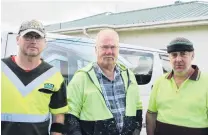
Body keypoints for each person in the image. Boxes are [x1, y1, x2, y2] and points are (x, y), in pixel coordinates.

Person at [65, 29, 143, 135]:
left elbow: (138, 108)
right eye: (104, 47)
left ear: (118, 49)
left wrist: (136, 130)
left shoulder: (129, 75)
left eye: (113, 47)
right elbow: (70, 116)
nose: (109, 51)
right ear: (96, 49)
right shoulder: (81, 78)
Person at [1, 20, 68, 135]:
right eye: (28, 36)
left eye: (38, 37)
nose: (33, 41)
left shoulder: (54, 76)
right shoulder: (2, 68)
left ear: (45, 43)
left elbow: (58, 116)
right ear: (18, 39)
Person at [146, 37, 208, 135]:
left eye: (183, 54)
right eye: (174, 55)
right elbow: (151, 114)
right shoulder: (160, 82)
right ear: (169, 57)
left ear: (192, 56)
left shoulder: (206, 82)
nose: (178, 59)